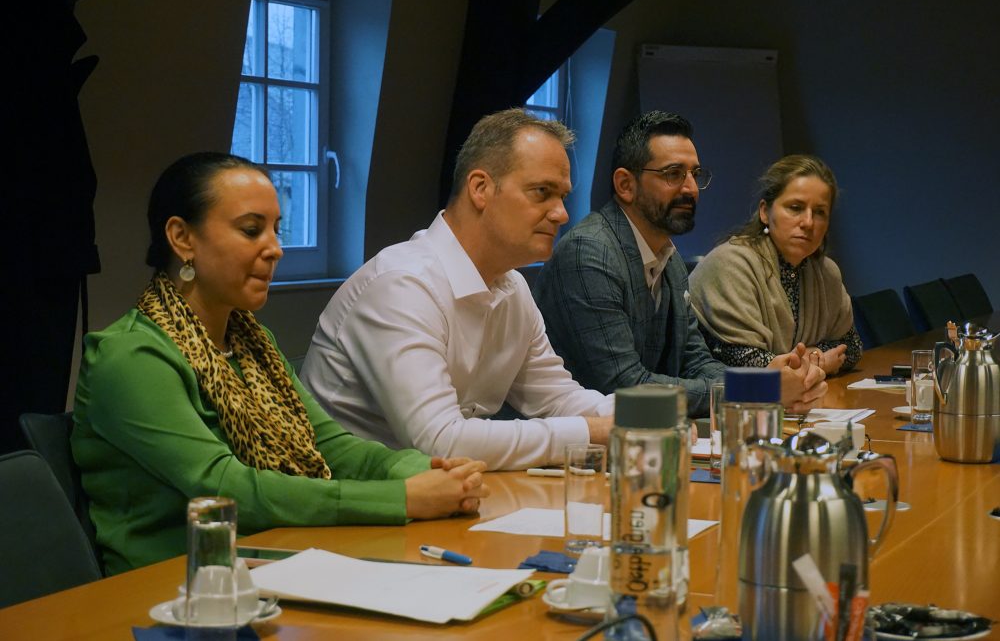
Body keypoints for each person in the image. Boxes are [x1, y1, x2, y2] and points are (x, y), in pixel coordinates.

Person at [71, 152, 488, 575]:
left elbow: (330, 446)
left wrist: (434, 471)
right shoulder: (130, 358)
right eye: (251, 230)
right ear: (182, 239)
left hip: (273, 558)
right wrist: (405, 497)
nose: (275, 248)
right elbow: (228, 490)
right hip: (171, 590)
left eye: (276, 230)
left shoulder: (253, 342)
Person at [300, 109, 614, 471]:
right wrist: (590, 432)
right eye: (542, 192)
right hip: (352, 505)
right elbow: (441, 442)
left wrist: (644, 418)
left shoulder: (512, 287)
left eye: (562, 196)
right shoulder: (402, 284)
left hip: (433, 498)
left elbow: (557, 397)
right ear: (480, 188)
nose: (561, 214)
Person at [532, 112, 827, 416]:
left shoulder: (668, 258)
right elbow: (624, 386)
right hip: (574, 449)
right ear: (625, 185)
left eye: (694, 174)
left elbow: (695, 360)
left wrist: (764, 379)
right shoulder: (590, 253)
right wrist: (761, 390)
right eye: (673, 174)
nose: (691, 189)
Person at [688, 154, 862, 375]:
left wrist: (812, 354)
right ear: (764, 212)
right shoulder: (730, 264)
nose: (808, 222)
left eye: (819, 212)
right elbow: (743, 359)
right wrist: (818, 361)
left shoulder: (826, 272)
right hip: (719, 401)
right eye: (795, 207)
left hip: (791, 399)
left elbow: (852, 348)